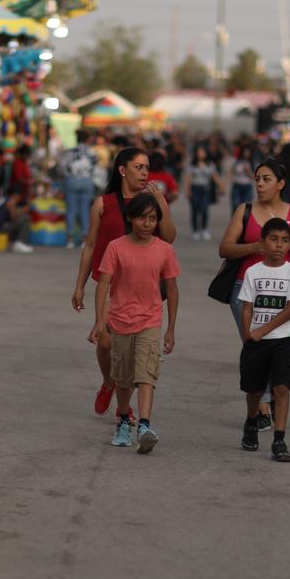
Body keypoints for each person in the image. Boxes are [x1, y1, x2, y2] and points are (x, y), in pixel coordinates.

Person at [72, 147, 177, 417]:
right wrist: (80, 285)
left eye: (146, 167)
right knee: (107, 343)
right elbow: (91, 245)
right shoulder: (103, 203)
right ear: (122, 170)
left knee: (132, 352)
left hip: (142, 287)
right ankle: (110, 382)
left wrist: (161, 203)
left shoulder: (151, 201)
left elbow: (169, 236)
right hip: (109, 286)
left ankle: (123, 405)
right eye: (138, 167)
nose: (144, 173)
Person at [218, 159, 290, 429]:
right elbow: (225, 248)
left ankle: (275, 396)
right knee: (255, 347)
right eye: (257, 179)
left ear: (281, 184)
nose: (260, 184)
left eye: (266, 179)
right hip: (246, 291)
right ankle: (261, 408)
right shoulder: (245, 211)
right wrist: (254, 247)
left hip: (285, 293)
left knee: (283, 347)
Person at [89, 193, 181, 454]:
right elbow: (104, 284)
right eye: (142, 217)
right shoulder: (116, 247)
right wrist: (99, 320)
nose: (147, 223)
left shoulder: (165, 250)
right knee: (123, 377)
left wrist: (171, 328)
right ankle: (122, 421)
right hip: (119, 321)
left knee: (146, 375)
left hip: (150, 320)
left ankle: (144, 425)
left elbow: (172, 290)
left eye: (152, 219)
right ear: (130, 218)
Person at [238, 219, 290, 463]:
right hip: (255, 341)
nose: (279, 245)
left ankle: (279, 439)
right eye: (274, 239)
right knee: (254, 389)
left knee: (281, 388)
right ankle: (251, 422)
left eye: (285, 240)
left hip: (283, 338)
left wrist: (263, 330)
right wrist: (248, 334)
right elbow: (247, 307)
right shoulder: (253, 273)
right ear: (263, 242)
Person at [60, 131, 98, 250]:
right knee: (85, 210)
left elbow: (62, 166)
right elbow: (94, 167)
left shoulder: (69, 151)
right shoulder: (91, 152)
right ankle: (84, 239)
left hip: (71, 180)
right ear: (87, 139)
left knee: (71, 210)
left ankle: (70, 239)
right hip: (86, 181)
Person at [186, 145, 224, 241]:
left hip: (205, 189)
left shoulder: (210, 164)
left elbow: (215, 176)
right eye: (199, 152)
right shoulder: (193, 165)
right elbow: (189, 178)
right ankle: (195, 231)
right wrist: (188, 190)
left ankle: (204, 229)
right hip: (195, 188)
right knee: (194, 210)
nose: (201, 154)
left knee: (204, 209)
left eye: (202, 152)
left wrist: (221, 186)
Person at [230, 145, 255, 212]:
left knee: (246, 207)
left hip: (247, 186)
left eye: (248, 152)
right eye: (245, 152)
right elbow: (231, 172)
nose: (247, 153)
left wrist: (248, 171)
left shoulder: (252, 162)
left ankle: (244, 221)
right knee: (236, 205)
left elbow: (254, 177)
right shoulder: (237, 162)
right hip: (237, 185)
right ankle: (235, 220)